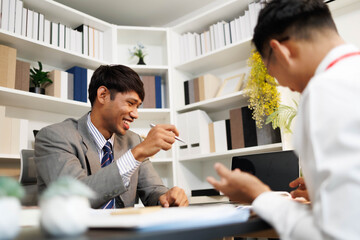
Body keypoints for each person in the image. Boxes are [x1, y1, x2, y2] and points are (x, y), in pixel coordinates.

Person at [207, 0, 360, 239]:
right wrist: (325, 192)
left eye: (272, 73)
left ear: (281, 51)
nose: (284, 85)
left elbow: (336, 236)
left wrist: (261, 196)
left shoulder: (325, 91)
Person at [35, 65, 188, 209]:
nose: (135, 114)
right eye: (130, 103)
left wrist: (166, 196)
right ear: (103, 95)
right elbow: (76, 197)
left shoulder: (133, 140)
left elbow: (153, 190)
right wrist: (137, 153)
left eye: (137, 106)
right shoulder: (54, 137)